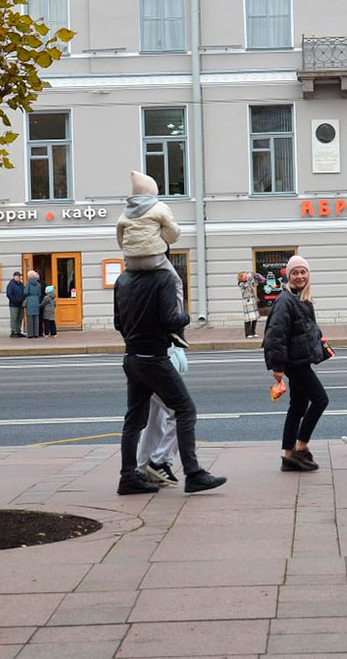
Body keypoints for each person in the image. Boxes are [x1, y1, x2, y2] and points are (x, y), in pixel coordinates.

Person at [113, 247, 226, 495]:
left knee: (134, 420)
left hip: (131, 356)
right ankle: (193, 474)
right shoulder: (163, 278)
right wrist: (186, 318)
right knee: (185, 409)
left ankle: (128, 477)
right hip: (155, 357)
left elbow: (118, 322)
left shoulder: (122, 279)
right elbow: (170, 320)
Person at [262, 255, 331, 472]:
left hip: (300, 359)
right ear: (289, 276)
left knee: (298, 407)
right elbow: (276, 335)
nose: (300, 276)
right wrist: (278, 366)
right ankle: (301, 447)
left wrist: (319, 343)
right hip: (294, 362)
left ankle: (288, 456)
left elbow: (304, 328)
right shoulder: (286, 300)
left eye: (303, 272)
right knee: (320, 399)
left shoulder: (300, 298)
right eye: (295, 273)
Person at [118, 170, 188, 348]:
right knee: (176, 283)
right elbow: (173, 234)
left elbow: (120, 238)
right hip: (154, 258)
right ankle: (177, 327)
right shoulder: (159, 207)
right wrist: (161, 235)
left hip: (131, 261)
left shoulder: (125, 213)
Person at [238, 271, 265, 338]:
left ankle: (253, 332)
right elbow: (246, 286)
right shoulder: (241, 283)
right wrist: (250, 278)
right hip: (247, 303)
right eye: (244, 275)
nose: (246, 276)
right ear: (241, 277)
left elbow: (255, 284)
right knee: (248, 319)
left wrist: (255, 277)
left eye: (246, 275)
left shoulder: (249, 281)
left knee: (254, 318)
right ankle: (248, 333)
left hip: (253, 301)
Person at [23, 270, 42, 338]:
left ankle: (30, 334)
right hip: (36, 301)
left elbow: (25, 292)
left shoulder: (28, 283)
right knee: (36, 318)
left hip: (30, 301)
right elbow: (39, 294)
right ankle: (36, 333)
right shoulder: (38, 284)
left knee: (30, 318)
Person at [6, 271, 25, 337]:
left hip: (20, 304)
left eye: (20, 276)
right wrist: (15, 300)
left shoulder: (21, 284)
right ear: (14, 276)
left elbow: (24, 291)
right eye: (18, 276)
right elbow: (9, 294)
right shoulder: (11, 284)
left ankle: (18, 331)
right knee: (14, 318)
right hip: (14, 304)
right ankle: (13, 331)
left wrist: (22, 298)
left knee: (20, 318)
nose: (19, 277)